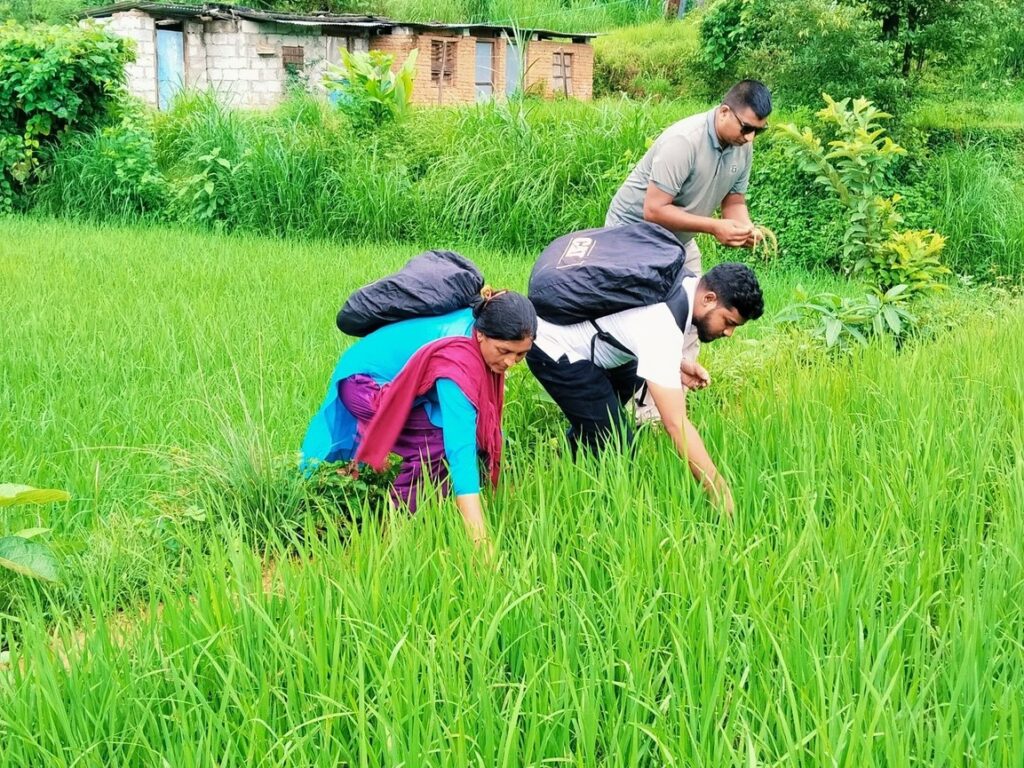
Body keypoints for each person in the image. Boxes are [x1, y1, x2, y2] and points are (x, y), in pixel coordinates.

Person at [301, 289, 537, 550]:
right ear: (481, 334)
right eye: (505, 351)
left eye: (521, 354)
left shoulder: (481, 331)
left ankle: (436, 504)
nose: (511, 362)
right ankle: (396, 530)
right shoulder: (457, 358)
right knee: (436, 442)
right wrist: (481, 543)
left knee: (467, 424)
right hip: (366, 385)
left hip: (404, 385)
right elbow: (460, 448)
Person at [526, 262, 763, 517]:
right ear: (709, 298)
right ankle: (595, 510)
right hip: (555, 349)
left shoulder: (683, 280)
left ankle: (564, 464)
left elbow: (635, 326)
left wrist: (675, 365)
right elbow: (676, 424)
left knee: (624, 392)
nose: (729, 333)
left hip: (592, 341)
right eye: (728, 322)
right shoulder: (663, 325)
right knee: (619, 447)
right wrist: (718, 489)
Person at [606, 79, 772, 416]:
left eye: (759, 131)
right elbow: (653, 210)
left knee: (695, 313)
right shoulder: (684, 141)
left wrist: (744, 228)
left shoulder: (742, 145)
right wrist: (713, 228)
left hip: (679, 240)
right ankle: (607, 400)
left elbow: (734, 201)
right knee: (644, 318)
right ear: (725, 111)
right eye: (746, 128)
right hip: (633, 237)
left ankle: (658, 413)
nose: (751, 137)